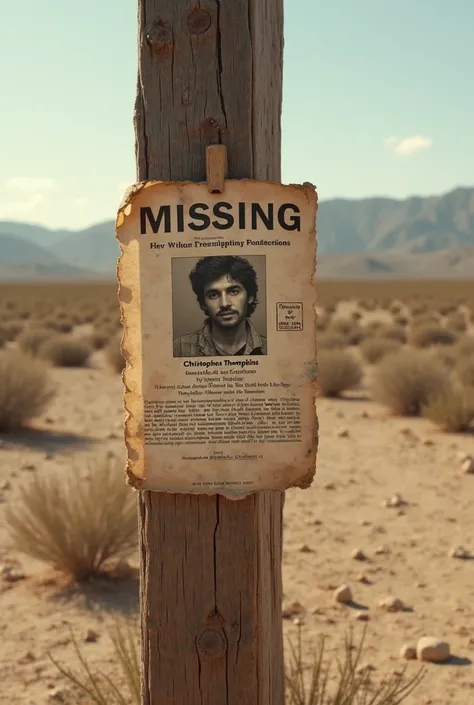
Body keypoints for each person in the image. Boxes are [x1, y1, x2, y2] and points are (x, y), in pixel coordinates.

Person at [173, 255, 267, 357]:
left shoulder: (270, 348)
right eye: (213, 295)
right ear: (203, 303)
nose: (224, 304)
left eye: (234, 291)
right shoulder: (179, 349)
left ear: (250, 296)